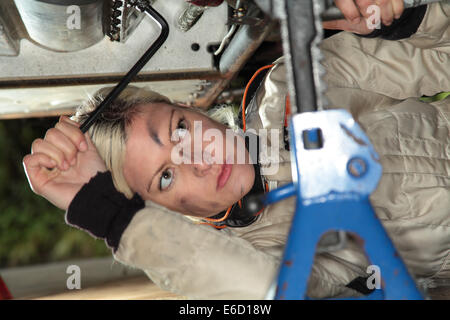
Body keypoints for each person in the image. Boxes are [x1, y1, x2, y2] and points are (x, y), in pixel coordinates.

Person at [23, 2, 449, 299]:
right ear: (162, 212)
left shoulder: (296, 88)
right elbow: (270, 289)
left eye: (180, 130)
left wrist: (403, 17)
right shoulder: (258, 253)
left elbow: (439, 53)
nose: (201, 161)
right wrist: (111, 217)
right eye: (165, 177)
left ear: (191, 109)